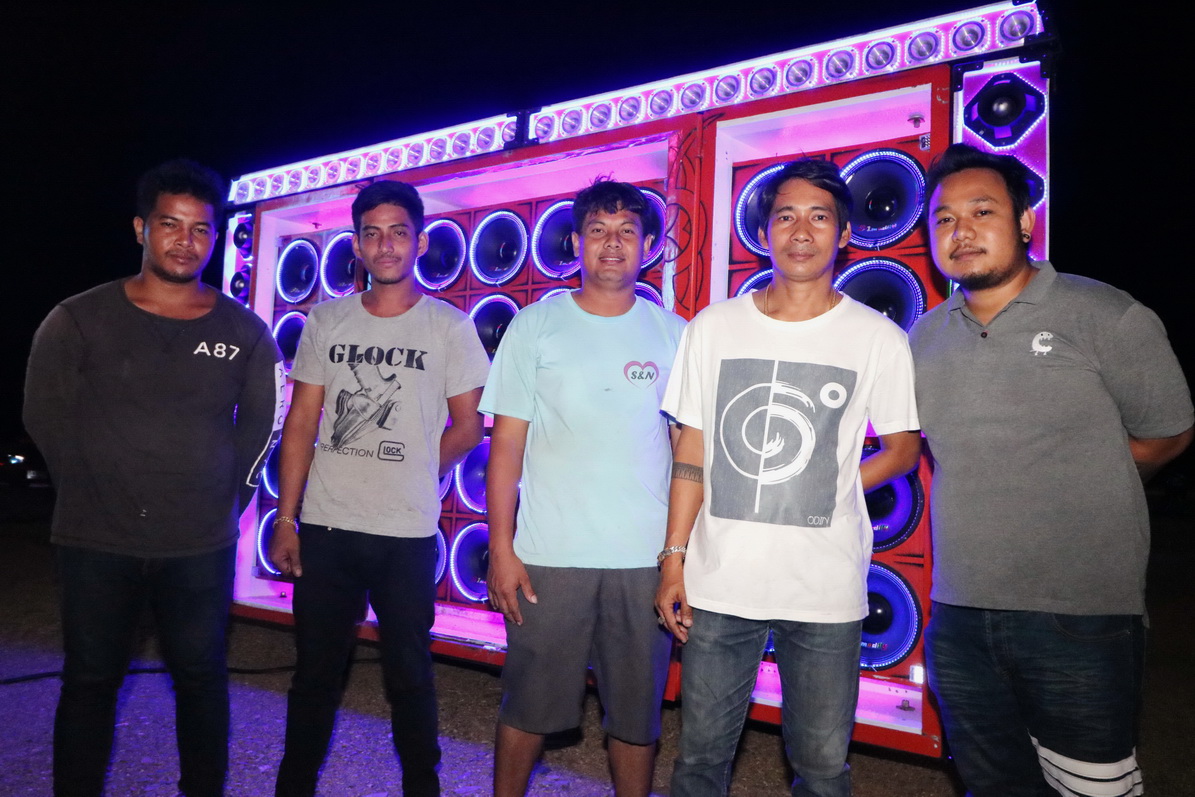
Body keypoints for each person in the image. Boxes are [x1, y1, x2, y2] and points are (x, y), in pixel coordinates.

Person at [909, 143, 1193, 796]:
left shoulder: (1105, 314)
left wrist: (1087, 479)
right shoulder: (923, 336)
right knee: (992, 783)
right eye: (944, 219)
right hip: (957, 614)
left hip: (1080, 616)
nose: (961, 230)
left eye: (982, 211)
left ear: (1025, 221)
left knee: (1093, 787)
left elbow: (1165, 435)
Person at [656, 158, 922, 797]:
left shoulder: (878, 337)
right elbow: (691, 448)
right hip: (721, 582)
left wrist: (832, 482)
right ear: (763, 231)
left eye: (819, 216)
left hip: (825, 587)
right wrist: (673, 559)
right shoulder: (714, 327)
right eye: (786, 216)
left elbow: (904, 451)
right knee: (699, 761)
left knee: (823, 769)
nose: (801, 231)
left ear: (845, 233)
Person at [23, 159, 284, 797]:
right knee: (90, 681)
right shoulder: (77, 319)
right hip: (95, 540)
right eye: (170, 224)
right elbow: (43, 415)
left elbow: (264, 425)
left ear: (215, 237)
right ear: (142, 228)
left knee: (201, 680)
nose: (185, 241)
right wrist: (92, 489)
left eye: (200, 229)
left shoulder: (244, 332)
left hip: (199, 546)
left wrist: (228, 501)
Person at [268, 180, 489, 797]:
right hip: (327, 527)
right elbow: (302, 422)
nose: (385, 244)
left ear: (420, 242)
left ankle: (422, 786)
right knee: (315, 676)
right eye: (372, 233)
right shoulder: (326, 319)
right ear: (356, 245)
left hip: (405, 532)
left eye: (398, 232)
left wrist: (418, 468)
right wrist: (285, 519)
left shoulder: (449, 327)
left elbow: (469, 425)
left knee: (409, 677)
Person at [482, 178, 685, 797]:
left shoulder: (674, 334)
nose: (612, 243)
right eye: (598, 230)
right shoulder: (535, 325)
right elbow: (506, 445)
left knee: (637, 716)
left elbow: (688, 451)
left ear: (647, 246)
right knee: (527, 706)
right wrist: (501, 549)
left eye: (627, 231)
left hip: (644, 559)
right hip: (549, 555)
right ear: (576, 243)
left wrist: (683, 555)